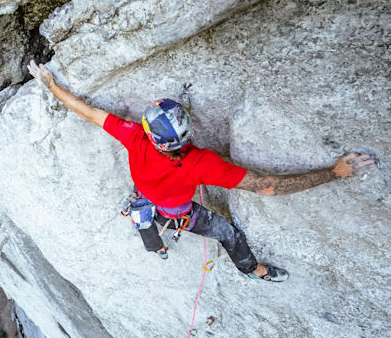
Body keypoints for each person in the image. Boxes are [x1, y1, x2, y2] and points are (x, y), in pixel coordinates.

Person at [27, 60, 375, 282]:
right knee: (228, 234)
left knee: (146, 225)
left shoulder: (135, 139)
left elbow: (88, 112)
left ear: (152, 135)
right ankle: (252, 270)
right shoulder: (202, 163)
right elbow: (267, 187)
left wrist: (51, 85)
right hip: (180, 212)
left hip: (147, 202)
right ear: (188, 132)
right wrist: (333, 172)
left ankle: (159, 249)